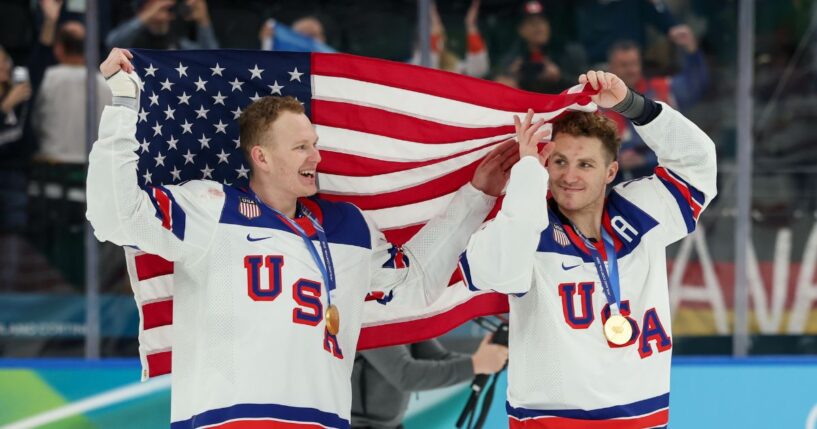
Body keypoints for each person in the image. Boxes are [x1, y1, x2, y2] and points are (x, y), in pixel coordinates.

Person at [87, 48, 515, 428]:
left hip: (322, 419)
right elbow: (116, 217)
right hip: (227, 419)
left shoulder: (347, 227)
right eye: (301, 148)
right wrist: (124, 105)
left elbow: (415, 281)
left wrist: (477, 196)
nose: (317, 156)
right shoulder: (211, 208)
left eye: (315, 143)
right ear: (261, 157)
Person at [459, 70, 717, 427]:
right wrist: (528, 172)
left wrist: (632, 104)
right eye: (559, 161)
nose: (569, 176)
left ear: (611, 171)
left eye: (585, 164)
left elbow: (698, 164)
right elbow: (496, 271)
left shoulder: (640, 210)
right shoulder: (527, 227)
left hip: (643, 419)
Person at [606, 29, 709, 181]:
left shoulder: (661, 90)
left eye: (634, 64)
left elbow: (694, 85)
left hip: (661, 180)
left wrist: (691, 50)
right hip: (613, 185)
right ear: (611, 67)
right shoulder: (599, 103)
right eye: (624, 65)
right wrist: (616, 160)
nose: (631, 70)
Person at [350, 335, 508, 429]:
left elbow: (438, 358)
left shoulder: (400, 311)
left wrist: (486, 362)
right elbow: (406, 375)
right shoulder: (368, 314)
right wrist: (476, 364)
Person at [33, 20, 111, 163]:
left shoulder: (44, 79)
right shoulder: (106, 84)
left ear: (59, 48)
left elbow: (33, 121)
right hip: (92, 168)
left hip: (51, 169)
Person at [409, 0, 490, 78]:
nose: (436, 38)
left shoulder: (456, 66)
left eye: (440, 36)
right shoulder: (416, 64)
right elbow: (430, 56)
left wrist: (470, 25)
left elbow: (479, 68)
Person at [105, 0, 218, 50]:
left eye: (167, 8)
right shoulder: (133, 40)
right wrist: (147, 16)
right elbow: (112, 43)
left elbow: (212, 59)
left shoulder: (177, 43)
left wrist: (203, 21)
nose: (162, 11)